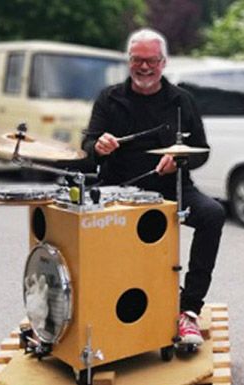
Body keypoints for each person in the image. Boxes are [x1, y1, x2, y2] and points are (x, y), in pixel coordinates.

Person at [82, 28, 225, 349]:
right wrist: (98, 146)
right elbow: (87, 144)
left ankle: (188, 309)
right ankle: (101, 309)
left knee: (212, 214)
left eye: (151, 61)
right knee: (86, 227)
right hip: (118, 187)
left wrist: (180, 161)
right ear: (128, 61)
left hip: (171, 186)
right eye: (137, 60)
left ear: (163, 62)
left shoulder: (182, 100)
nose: (144, 67)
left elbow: (201, 150)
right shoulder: (109, 98)